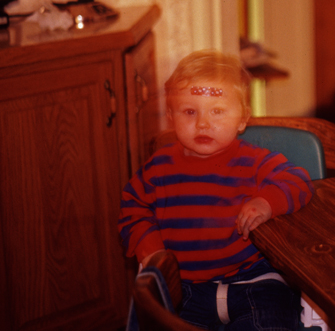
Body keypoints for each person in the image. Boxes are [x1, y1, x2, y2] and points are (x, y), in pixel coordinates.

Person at [119, 49, 314, 330]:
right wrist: (152, 251)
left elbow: (297, 180)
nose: (203, 123)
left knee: (274, 318)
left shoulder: (253, 161)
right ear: (171, 117)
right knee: (153, 316)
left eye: (218, 112)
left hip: (253, 281)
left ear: (243, 119)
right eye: (189, 112)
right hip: (185, 291)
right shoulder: (158, 168)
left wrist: (266, 202)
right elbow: (132, 206)